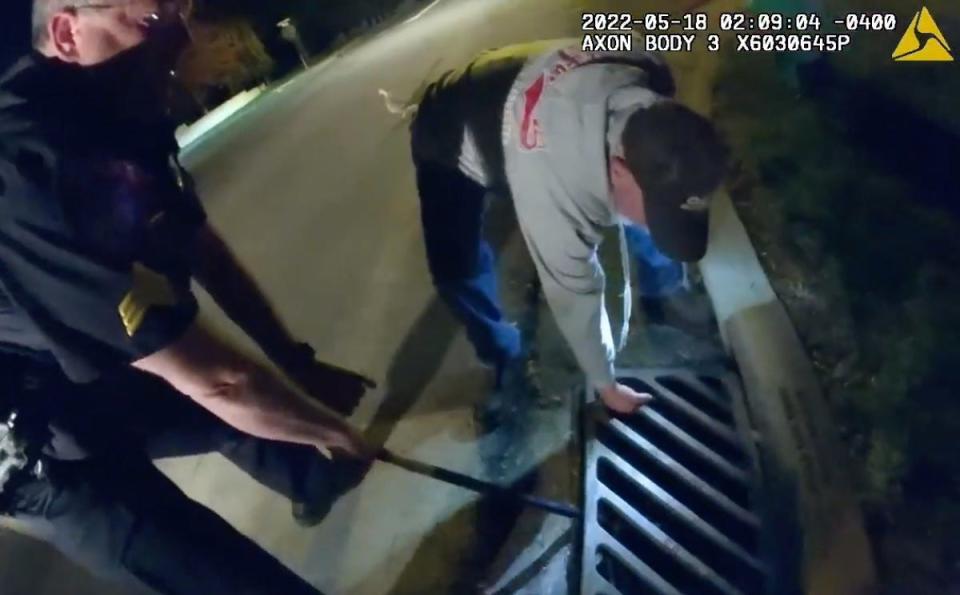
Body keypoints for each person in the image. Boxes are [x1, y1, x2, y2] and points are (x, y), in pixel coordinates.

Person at [0, 0, 375, 592]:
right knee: (228, 578)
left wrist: (295, 361)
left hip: (82, 362)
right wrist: (337, 433)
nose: (180, 37)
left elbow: (199, 246)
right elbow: (217, 379)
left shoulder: (116, 114)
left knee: (237, 407)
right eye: (152, 20)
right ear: (68, 32)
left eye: (181, 13)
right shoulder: (28, 168)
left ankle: (311, 480)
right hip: (30, 444)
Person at [405, 40, 728, 415]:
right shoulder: (554, 187)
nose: (661, 224)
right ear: (617, 170)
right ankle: (504, 357)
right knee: (454, 266)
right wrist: (607, 384)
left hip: (538, 70)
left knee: (644, 206)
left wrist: (658, 212)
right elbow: (575, 296)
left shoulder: (649, 70)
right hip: (449, 130)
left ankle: (667, 295)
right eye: (658, 217)